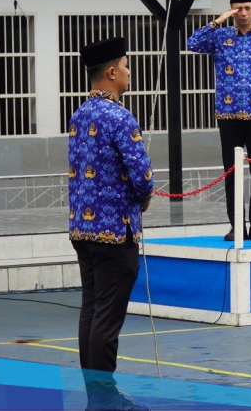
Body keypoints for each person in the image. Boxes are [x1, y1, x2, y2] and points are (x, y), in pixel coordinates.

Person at [68, 37, 153, 411]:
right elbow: (142, 175)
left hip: (82, 230)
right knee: (107, 320)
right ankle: (104, 400)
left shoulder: (79, 114)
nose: (130, 72)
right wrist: (145, 194)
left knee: (91, 314)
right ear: (111, 72)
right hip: (115, 231)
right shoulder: (120, 117)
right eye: (126, 65)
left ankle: (97, 397)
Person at [187, 0, 251, 241]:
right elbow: (192, 43)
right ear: (231, 10)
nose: (243, 13)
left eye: (247, 8)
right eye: (237, 8)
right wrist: (217, 20)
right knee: (231, 173)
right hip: (228, 115)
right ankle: (236, 225)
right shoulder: (220, 37)